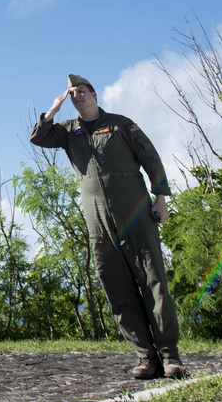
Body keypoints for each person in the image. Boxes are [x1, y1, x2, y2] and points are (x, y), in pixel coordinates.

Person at [32, 73, 185, 380]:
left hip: (134, 208)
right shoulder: (67, 131)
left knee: (153, 278)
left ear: (94, 95)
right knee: (115, 284)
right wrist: (51, 112)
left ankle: (169, 355)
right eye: (71, 93)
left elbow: (151, 159)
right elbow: (38, 138)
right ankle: (145, 356)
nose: (76, 95)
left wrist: (161, 200)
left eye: (81, 91)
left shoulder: (119, 123)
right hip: (96, 216)